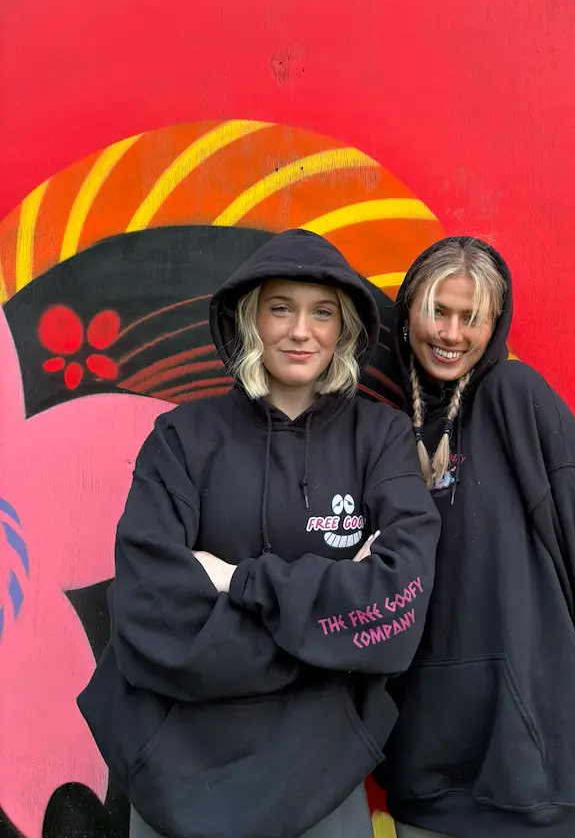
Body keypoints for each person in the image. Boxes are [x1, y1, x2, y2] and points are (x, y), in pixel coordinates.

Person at [78, 229, 441, 838]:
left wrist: (233, 581)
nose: (301, 331)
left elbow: (397, 616)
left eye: (322, 312)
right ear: (250, 319)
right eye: (281, 308)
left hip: (324, 778)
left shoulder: (380, 438)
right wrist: (326, 630)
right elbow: (146, 612)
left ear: (344, 328)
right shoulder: (182, 438)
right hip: (179, 774)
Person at [378, 236, 575, 838]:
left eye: (472, 318)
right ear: (408, 311)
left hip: (536, 780)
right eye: (438, 311)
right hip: (426, 770)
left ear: (495, 325)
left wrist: (563, 659)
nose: (451, 333)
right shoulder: (387, 428)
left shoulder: (515, 396)